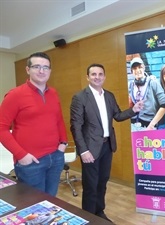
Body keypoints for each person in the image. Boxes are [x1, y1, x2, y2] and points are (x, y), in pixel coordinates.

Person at [70, 63, 143, 223]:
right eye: (93, 74)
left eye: (100, 74)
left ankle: (99, 212)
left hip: (107, 146)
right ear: (88, 77)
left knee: (102, 182)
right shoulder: (80, 97)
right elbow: (76, 127)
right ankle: (88, 218)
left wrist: (134, 110)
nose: (97, 77)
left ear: (104, 76)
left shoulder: (109, 95)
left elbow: (117, 115)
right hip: (90, 149)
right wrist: (83, 151)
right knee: (90, 186)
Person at [0, 52, 68, 196]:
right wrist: (21, 155)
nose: (41, 71)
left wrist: (63, 142)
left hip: (55, 157)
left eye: (45, 67)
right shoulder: (15, 95)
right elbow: (2, 129)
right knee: (34, 206)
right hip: (31, 162)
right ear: (28, 69)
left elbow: (58, 119)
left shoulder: (53, 93)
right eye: (37, 67)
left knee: (51, 202)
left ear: (50, 70)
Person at [128, 57, 165, 131]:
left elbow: (164, 106)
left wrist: (151, 125)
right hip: (132, 127)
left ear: (144, 68)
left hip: (148, 126)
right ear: (131, 71)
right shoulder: (130, 85)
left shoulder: (153, 83)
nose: (137, 70)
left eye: (140, 67)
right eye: (134, 68)